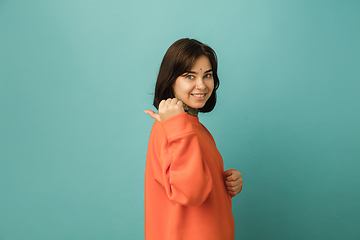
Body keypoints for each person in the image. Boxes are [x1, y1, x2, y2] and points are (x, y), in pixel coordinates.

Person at [144, 38, 243, 240]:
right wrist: (176, 125)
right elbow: (192, 193)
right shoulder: (168, 129)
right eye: (189, 76)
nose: (202, 85)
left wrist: (225, 183)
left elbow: (194, 182)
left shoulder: (195, 128)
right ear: (170, 80)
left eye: (207, 75)